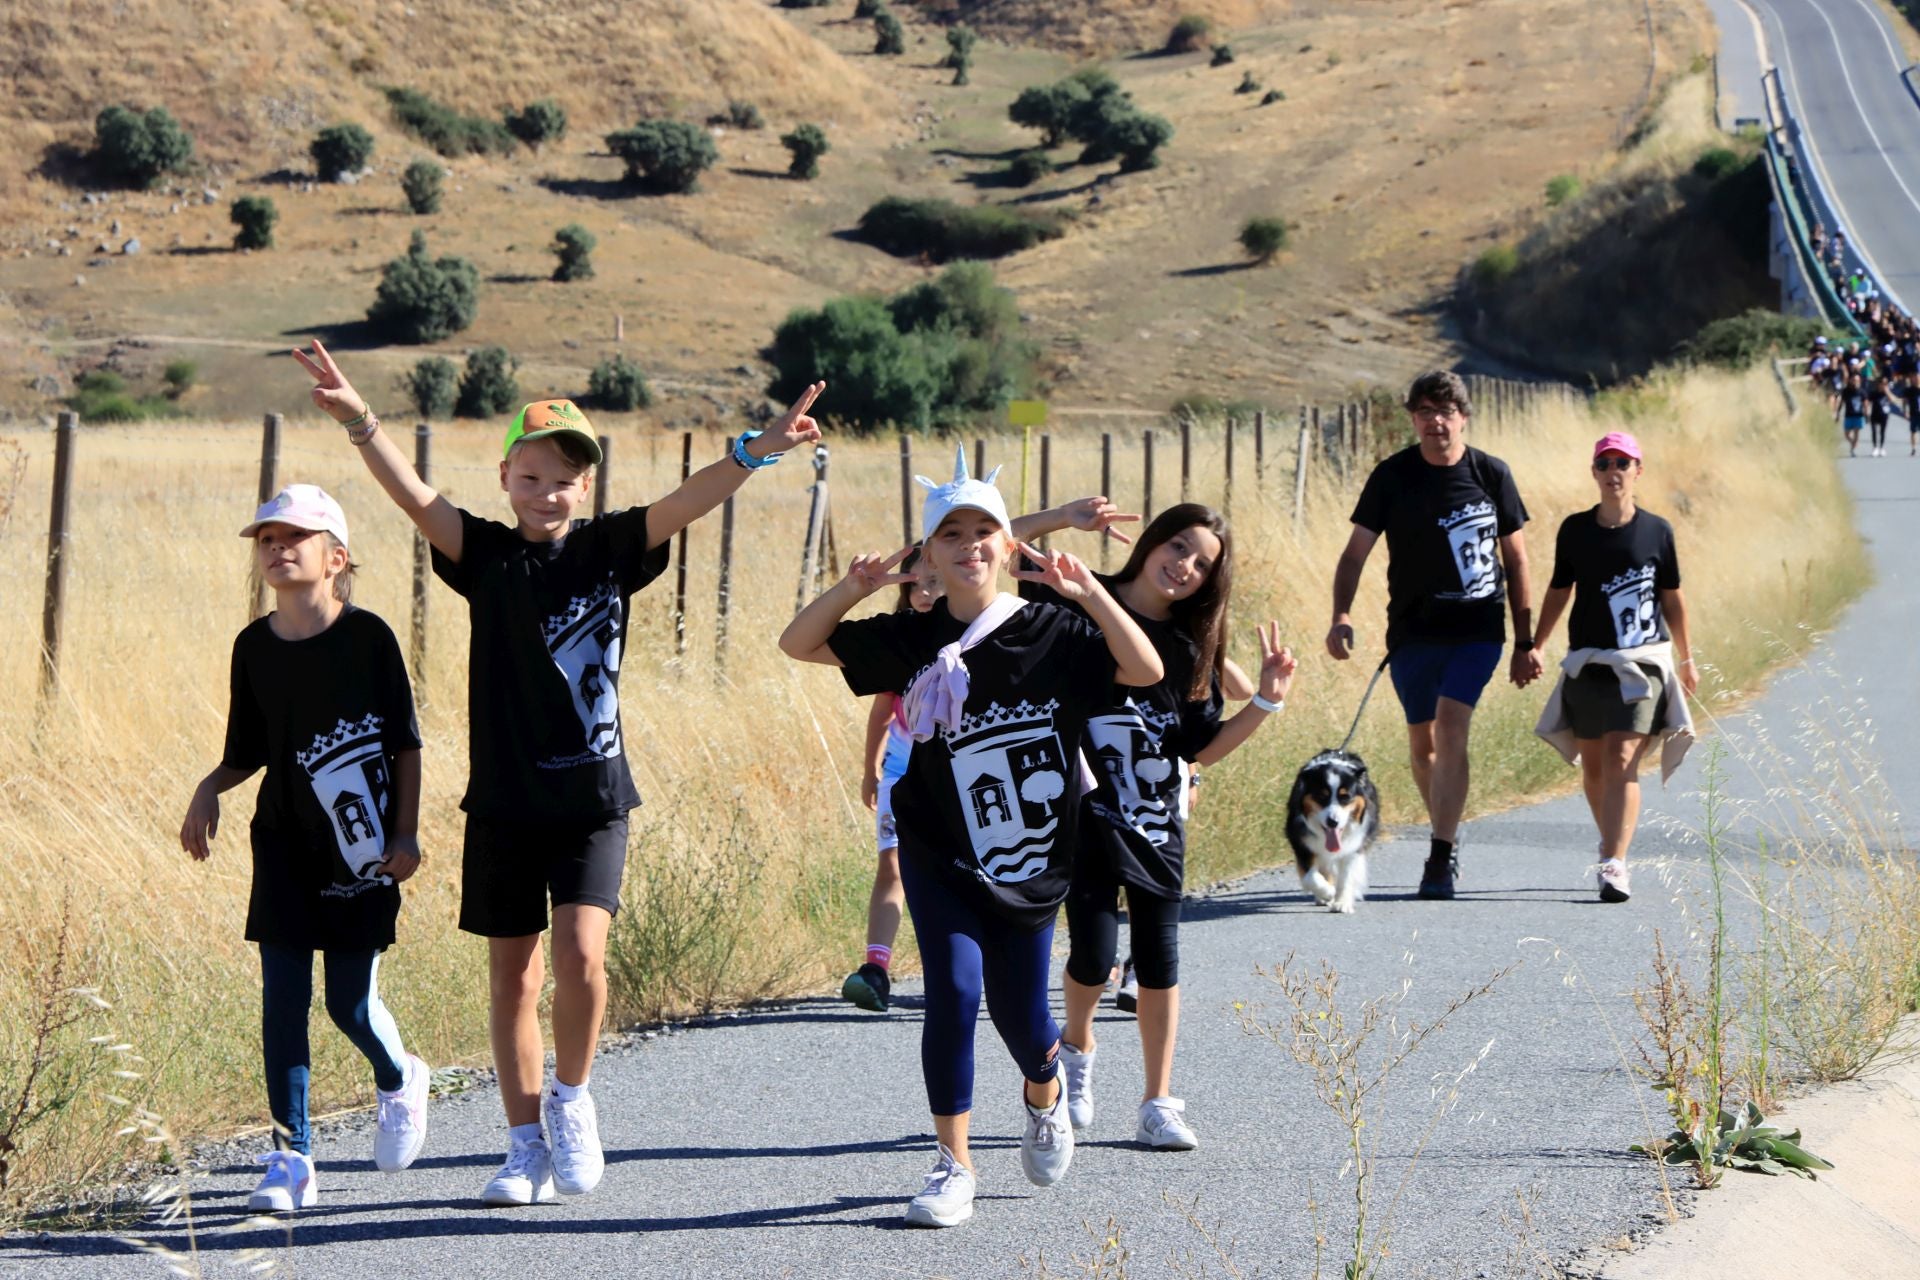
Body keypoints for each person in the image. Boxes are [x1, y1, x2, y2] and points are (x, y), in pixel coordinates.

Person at [291, 338, 824, 1207]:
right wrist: (362, 423)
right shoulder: (487, 558)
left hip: (592, 800)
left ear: (588, 486)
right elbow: (417, 499)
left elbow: (691, 500)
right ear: (505, 479)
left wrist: (757, 449)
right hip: (504, 803)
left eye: (565, 479)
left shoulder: (612, 548)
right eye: (530, 476)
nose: (547, 493)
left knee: (580, 959)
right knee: (515, 978)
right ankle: (523, 1142)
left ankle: (572, 1103)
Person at [780, 450, 1162, 1228]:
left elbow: (1145, 668)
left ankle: (1044, 1090)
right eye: (949, 534)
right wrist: (852, 587)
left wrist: (1090, 593)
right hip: (937, 853)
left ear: (1006, 545)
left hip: (1028, 860)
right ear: (929, 554)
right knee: (952, 993)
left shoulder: (1051, 630)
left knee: (1024, 1019)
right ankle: (953, 1165)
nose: (968, 545)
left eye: (983, 530)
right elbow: (800, 642)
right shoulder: (911, 638)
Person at [1012, 500, 1296, 1152]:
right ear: (1153, 541)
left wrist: (1266, 703)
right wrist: (1061, 518)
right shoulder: (1080, 594)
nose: (1185, 567)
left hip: (1155, 817)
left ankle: (1156, 1102)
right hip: (1078, 817)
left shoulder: (1193, 644)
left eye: (1201, 565)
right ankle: (1077, 1050)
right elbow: (1002, 549)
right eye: (1179, 547)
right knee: (1093, 955)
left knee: (1161, 959)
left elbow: (1199, 746)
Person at [180, 484, 429, 1214]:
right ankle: (292, 1160)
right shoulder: (252, 646)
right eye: (267, 538)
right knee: (282, 1003)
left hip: (362, 853)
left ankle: (399, 1075)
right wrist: (209, 786)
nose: (279, 547)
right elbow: (248, 748)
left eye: (297, 536)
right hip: (283, 846)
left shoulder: (370, 638)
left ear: (336, 557)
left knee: (348, 1005)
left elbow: (405, 745)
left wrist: (406, 834)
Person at [1326, 370, 1535, 899]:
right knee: (1422, 747)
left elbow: (1517, 556)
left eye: (1445, 411)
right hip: (1413, 631)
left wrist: (1525, 640)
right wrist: (1341, 615)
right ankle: (1448, 826)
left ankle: (1440, 856)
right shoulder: (1393, 476)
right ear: (1413, 418)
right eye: (1424, 411)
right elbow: (1355, 553)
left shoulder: (1491, 474)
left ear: (1463, 417)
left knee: (1449, 724)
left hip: (1478, 627)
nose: (1436, 421)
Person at [1530, 433, 1696, 902]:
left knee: (1624, 760)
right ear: (1594, 473)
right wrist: (1536, 644)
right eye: (1604, 463)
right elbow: (1559, 590)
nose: (1613, 471)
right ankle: (1609, 843)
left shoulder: (1657, 531)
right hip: (1589, 663)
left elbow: (1672, 597)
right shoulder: (1575, 530)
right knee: (1596, 767)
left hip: (1641, 665)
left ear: (1638, 471)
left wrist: (1687, 658)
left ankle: (1614, 862)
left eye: (1623, 462)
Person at [843, 550, 943, 1012]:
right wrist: (870, 770)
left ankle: (951, 967)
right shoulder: (898, 641)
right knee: (893, 867)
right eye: (915, 584)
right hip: (900, 776)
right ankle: (876, 970)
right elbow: (882, 713)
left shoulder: (979, 636)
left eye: (934, 583)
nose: (924, 593)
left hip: (957, 781)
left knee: (950, 877)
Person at [1838, 372, 1866, 457]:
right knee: (1846, 434)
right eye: (1853, 380)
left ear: (1859, 381)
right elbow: (1841, 403)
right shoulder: (1846, 391)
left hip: (1858, 415)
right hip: (1848, 414)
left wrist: (1866, 414)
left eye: (1857, 380)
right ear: (1850, 380)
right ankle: (1853, 443)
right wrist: (1838, 413)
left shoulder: (1862, 392)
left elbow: (1865, 403)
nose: (1855, 382)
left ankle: (1853, 450)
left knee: (1856, 432)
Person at [1867, 375, 1893, 458]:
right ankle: (1875, 448)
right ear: (1878, 384)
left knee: (1882, 432)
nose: (1884, 385)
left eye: (1885, 383)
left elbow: (1891, 400)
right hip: (1874, 414)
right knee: (1874, 431)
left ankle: (1881, 448)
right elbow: (1868, 402)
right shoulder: (1874, 393)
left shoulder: (1887, 392)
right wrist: (1867, 412)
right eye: (1882, 383)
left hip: (1884, 415)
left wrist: (1887, 391)